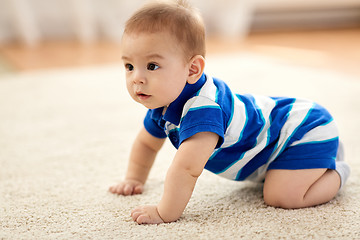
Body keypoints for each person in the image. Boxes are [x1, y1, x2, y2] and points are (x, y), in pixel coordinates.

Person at [109, 0, 350, 224]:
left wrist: (164, 212)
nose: (137, 78)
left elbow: (186, 169)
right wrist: (134, 179)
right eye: (129, 66)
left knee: (281, 197)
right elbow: (147, 144)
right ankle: (311, 164)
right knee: (276, 184)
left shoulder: (204, 110)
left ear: (193, 69)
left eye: (152, 66)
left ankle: (335, 170)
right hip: (274, 140)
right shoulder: (162, 102)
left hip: (301, 131)